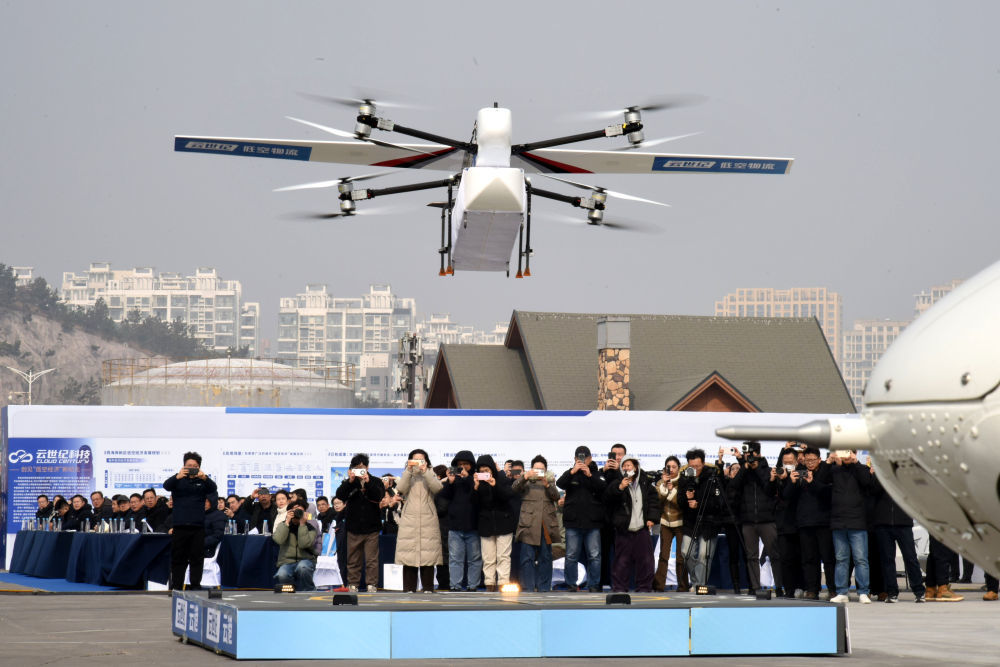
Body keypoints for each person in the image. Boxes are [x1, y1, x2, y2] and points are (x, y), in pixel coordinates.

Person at [730, 441, 782, 596]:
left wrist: (757, 468)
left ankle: (779, 586)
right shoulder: (743, 470)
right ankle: (755, 587)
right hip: (747, 520)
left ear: (758, 454)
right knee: (751, 556)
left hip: (767, 519)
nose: (750, 457)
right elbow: (734, 486)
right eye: (747, 454)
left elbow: (770, 488)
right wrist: (745, 468)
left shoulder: (766, 468)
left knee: (774, 554)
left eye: (752, 454)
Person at [785, 447, 836, 600]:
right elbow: (786, 496)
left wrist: (812, 482)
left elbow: (828, 493)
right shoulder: (799, 472)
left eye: (813, 460)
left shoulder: (827, 471)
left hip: (823, 523)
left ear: (819, 459)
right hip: (805, 523)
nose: (810, 463)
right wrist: (793, 482)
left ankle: (832, 589)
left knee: (828, 559)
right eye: (807, 460)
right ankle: (812, 589)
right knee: (809, 559)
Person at [869, 468, 926, 603]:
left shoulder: (905, 473)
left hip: (903, 522)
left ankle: (919, 591)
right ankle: (892, 592)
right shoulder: (878, 472)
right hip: (883, 523)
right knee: (887, 560)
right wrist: (878, 474)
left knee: (910, 558)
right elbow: (873, 491)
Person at [163, 451, 217, 590]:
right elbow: (166, 485)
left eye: (195, 466)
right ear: (183, 466)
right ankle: (176, 587)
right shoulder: (178, 480)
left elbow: (213, 488)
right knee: (178, 559)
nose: (192, 467)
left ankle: (195, 586)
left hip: (197, 526)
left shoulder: (203, 482)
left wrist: (205, 477)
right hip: (180, 526)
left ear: (199, 467)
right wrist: (177, 476)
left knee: (196, 559)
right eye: (189, 465)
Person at [605, 456, 659, 592]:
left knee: (646, 560)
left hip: (642, 527)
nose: (626, 468)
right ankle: (619, 588)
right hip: (624, 528)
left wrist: (652, 518)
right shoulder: (617, 481)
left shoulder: (646, 482)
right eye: (624, 466)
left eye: (629, 465)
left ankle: (644, 587)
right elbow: (607, 498)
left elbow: (653, 502)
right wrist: (620, 487)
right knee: (621, 561)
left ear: (636, 467)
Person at [558, 445, 607, 592]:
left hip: (592, 523)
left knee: (595, 556)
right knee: (571, 555)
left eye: (585, 458)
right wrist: (573, 471)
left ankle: (593, 585)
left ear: (590, 459)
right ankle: (571, 584)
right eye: (579, 458)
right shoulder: (570, 473)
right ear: (574, 459)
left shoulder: (596, 474)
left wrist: (589, 475)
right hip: (573, 522)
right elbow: (559, 483)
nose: (582, 460)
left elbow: (603, 487)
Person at [335, 453, 385, 593]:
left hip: (372, 527)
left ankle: (371, 584)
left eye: (362, 468)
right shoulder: (349, 483)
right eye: (357, 468)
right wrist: (350, 481)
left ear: (368, 467)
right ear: (352, 469)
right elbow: (340, 495)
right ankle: (353, 584)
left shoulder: (375, 481)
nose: (360, 471)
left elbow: (378, 496)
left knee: (371, 560)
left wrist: (368, 482)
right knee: (353, 559)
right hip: (353, 527)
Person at [827, 450, 873, 604]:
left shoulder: (861, 469)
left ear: (853, 453)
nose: (845, 456)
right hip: (838, 522)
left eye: (849, 452)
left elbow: (867, 482)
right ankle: (842, 591)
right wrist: (828, 462)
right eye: (843, 452)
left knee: (861, 559)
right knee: (841, 559)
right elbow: (821, 481)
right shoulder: (834, 470)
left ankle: (863, 592)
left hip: (857, 522)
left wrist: (856, 462)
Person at [394, 448, 443, 592]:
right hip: (409, 520)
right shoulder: (407, 474)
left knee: (428, 557)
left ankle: (428, 589)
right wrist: (409, 471)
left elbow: (437, 488)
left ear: (426, 461)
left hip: (428, 519)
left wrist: (425, 471)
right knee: (409, 556)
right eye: (415, 459)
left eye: (421, 460)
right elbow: (400, 489)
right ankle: (408, 590)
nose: (418, 462)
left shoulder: (430, 473)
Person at [677, 449, 721, 588]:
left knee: (704, 555)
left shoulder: (712, 477)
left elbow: (717, 503)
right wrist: (687, 498)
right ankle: (697, 582)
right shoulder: (684, 478)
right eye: (692, 466)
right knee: (685, 552)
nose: (695, 469)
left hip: (708, 523)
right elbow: (680, 502)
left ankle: (699, 586)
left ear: (703, 463)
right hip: (690, 523)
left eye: (698, 466)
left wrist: (698, 504)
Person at [439, 450, 481, 591]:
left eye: (466, 464)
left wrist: (467, 477)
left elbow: (478, 494)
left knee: (474, 559)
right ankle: (455, 586)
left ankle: (472, 586)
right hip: (455, 526)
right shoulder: (453, 480)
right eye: (459, 464)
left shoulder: (475, 478)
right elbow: (444, 497)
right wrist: (450, 483)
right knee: (455, 559)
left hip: (473, 525)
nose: (462, 467)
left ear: (471, 465)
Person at [475, 454, 515, 591]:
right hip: (486, 525)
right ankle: (490, 585)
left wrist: (495, 485)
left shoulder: (502, 478)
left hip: (504, 523)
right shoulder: (477, 483)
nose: (484, 473)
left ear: (492, 468)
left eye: (487, 469)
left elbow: (508, 496)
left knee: (503, 557)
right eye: (481, 470)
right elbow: (473, 504)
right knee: (488, 558)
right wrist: (475, 488)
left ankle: (503, 584)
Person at [653, 456, 687, 592]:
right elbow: (657, 502)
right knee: (663, 555)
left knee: (680, 557)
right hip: (665, 522)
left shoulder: (683, 482)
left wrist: (672, 490)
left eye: (674, 467)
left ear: (679, 468)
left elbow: (680, 504)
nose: (671, 469)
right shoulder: (660, 482)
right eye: (668, 467)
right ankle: (658, 586)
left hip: (680, 522)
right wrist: (664, 487)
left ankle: (683, 586)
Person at [773, 447, 803, 599]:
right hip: (784, 524)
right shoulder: (780, 476)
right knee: (785, 559)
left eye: (790, 462)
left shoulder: (803, 474)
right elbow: (783, 496)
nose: (788, 465)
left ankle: (801, 587)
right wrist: (783, 479)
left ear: (797, 461)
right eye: (785, 462)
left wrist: (791, 481)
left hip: (800, 523)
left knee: (801, 558)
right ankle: (788, 589)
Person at [273, 499, 319, 591]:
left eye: (300, 511)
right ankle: (291, 593)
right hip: (287, 561)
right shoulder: (283, 525)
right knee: (282, 574)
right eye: (295, 511)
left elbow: (303, 544)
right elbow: (278, 540)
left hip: (306, 560)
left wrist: (302, 524)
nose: (298, 513)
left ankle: (309, 590)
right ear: (289, 512)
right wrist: (287, 521)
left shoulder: (310, 528)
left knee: (303, 567)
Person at [598, 443, 627, 588]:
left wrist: (618, 471)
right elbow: (598, 488)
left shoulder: (628, 472)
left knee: (620, 554)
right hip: (604, 520)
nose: (617, 457)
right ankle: (603, 581)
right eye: (613, 454)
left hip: (621, 519)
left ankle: (620, 582)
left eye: (620, 454)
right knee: (602, 553)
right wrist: (603, 470)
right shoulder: (602, 471)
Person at [203, 494, 227, 558]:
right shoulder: (198, 514)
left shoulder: (219, 516)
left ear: (212, 502)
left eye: (207, 501)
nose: (204, 503)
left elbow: (218, 535)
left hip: (208, 550)